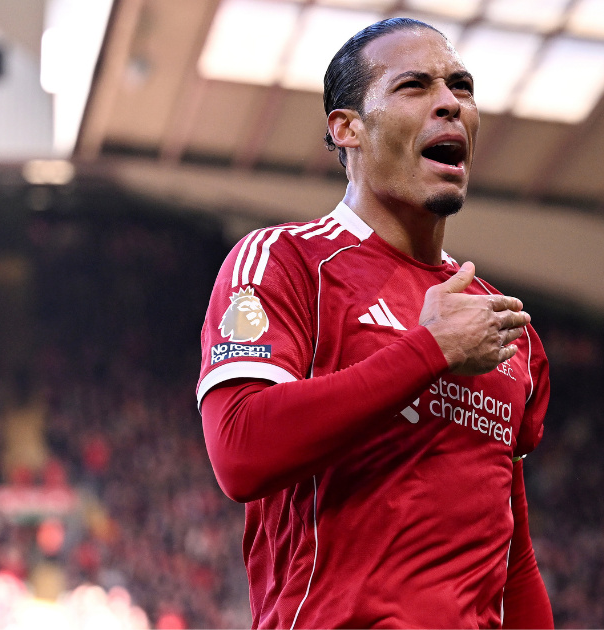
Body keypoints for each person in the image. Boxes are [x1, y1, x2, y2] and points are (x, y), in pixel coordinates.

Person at [198, 17, 552, 629]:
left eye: (461, 87)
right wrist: (429, 351)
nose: (449, 103)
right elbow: (239, 451)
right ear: (347, 128)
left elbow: (513, 557)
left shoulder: (501, 325)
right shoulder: (286, 262)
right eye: (414, 87)